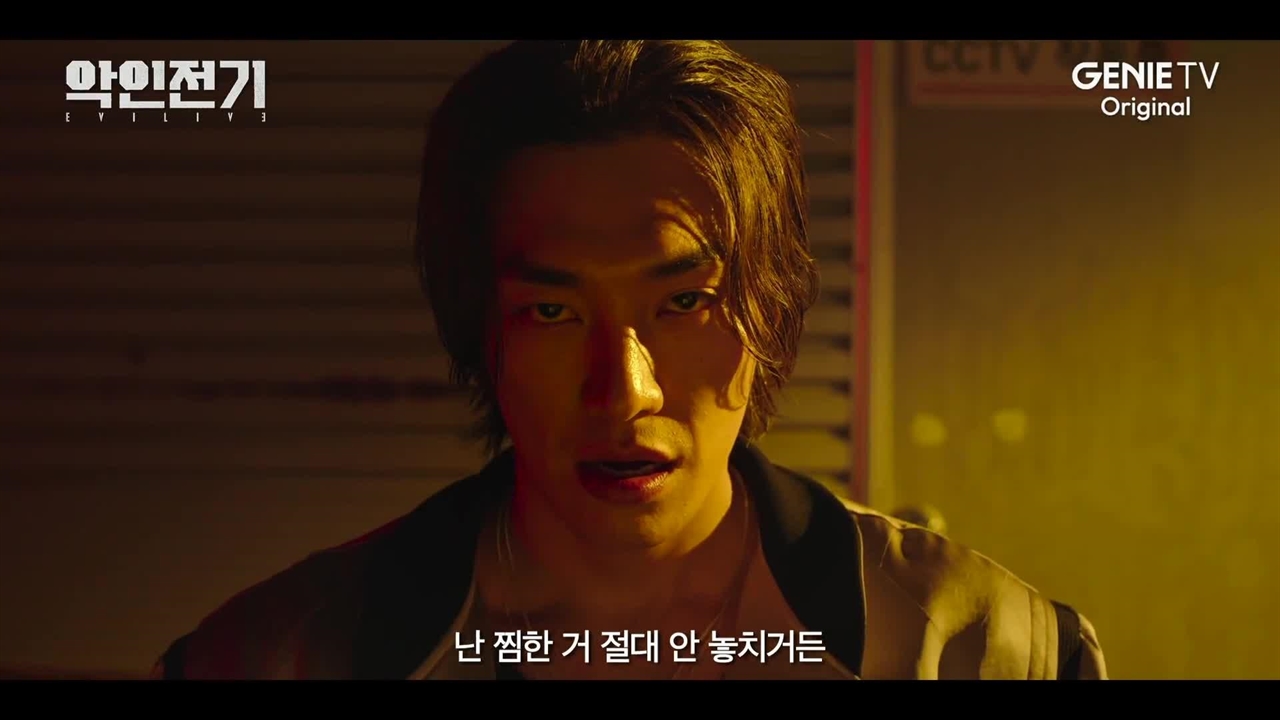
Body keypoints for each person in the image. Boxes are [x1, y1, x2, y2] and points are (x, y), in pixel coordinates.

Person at [152, 40, 1107, 680]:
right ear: (479, 325)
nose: (624, 391)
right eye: (554, 311)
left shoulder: (974, 646)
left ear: (771, 306)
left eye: (685, 302)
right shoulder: (284, 655)